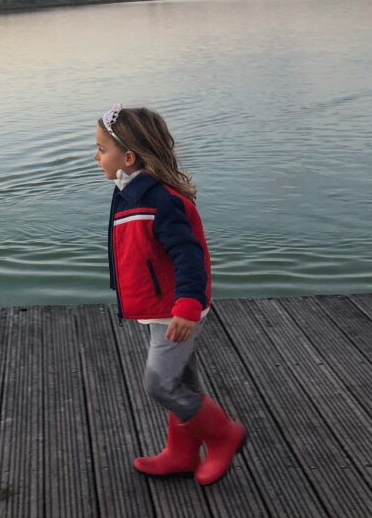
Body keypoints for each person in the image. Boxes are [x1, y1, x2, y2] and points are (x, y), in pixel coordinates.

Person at [94, 103, 246, 485]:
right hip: (161, 304)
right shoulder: (128, 190)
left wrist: (187, 305)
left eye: (101, 148)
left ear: (128, 157)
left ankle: (223, 435)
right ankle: (181, 453)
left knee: (160, 384)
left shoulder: (161, 200)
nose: (95, 155)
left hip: (176, 308)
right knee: (182, 382)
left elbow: (189, 255)